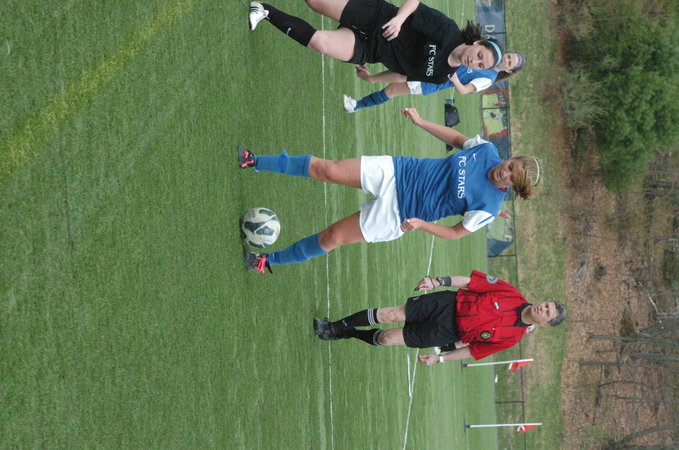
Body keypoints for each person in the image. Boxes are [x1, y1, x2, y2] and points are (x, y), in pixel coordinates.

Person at [237, 107, 542, 273]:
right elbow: (456, 138)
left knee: (332, 237)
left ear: (512, 188)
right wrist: (421, 122)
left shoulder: (489, 207)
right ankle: (254, 160)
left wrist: (421, 225)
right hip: (400, 171)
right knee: (328, 169)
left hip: (400, 214)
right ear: (510, 158)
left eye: (511, 178)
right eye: (511, 165)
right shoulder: (486, 150)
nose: (505, 172)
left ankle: (268, 261)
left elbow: (454, 233)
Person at [313, 271, 567, 364]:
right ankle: (333, 326)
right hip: (445, 304)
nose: (542, 308)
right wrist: (438, 281)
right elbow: (471, 282)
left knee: (387, 338)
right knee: (390, 314)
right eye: (546, 305)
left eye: (547, 312)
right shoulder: (511, 292)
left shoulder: (511, 338)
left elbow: (473, 351)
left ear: (545, 324)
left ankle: (349, 333)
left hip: (446, 333)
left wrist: (440, 358)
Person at [248, 0, 504, 84]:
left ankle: (263, 10)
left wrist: (372, 79)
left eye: (480, 65)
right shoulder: (448, 31)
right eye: (480, 55)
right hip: (376, 17)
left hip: (370, 49)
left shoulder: (442, 76)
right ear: (478, 43)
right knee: (315, 2)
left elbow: (403, 75)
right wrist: (399, 19)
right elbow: (414, 4)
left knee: (321, 43)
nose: (475, 61)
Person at [343, 51, 524, 113]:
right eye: (509, 56)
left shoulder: (488, 78)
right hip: (434, 66)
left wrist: (452, 72)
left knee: (392, 88)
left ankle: (356, 104)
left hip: (432, 81)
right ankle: (367, 74)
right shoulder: (488, 56)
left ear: (508, 70)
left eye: (509, 63)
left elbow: (463, 90)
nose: (506, 59)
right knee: (398, 68)